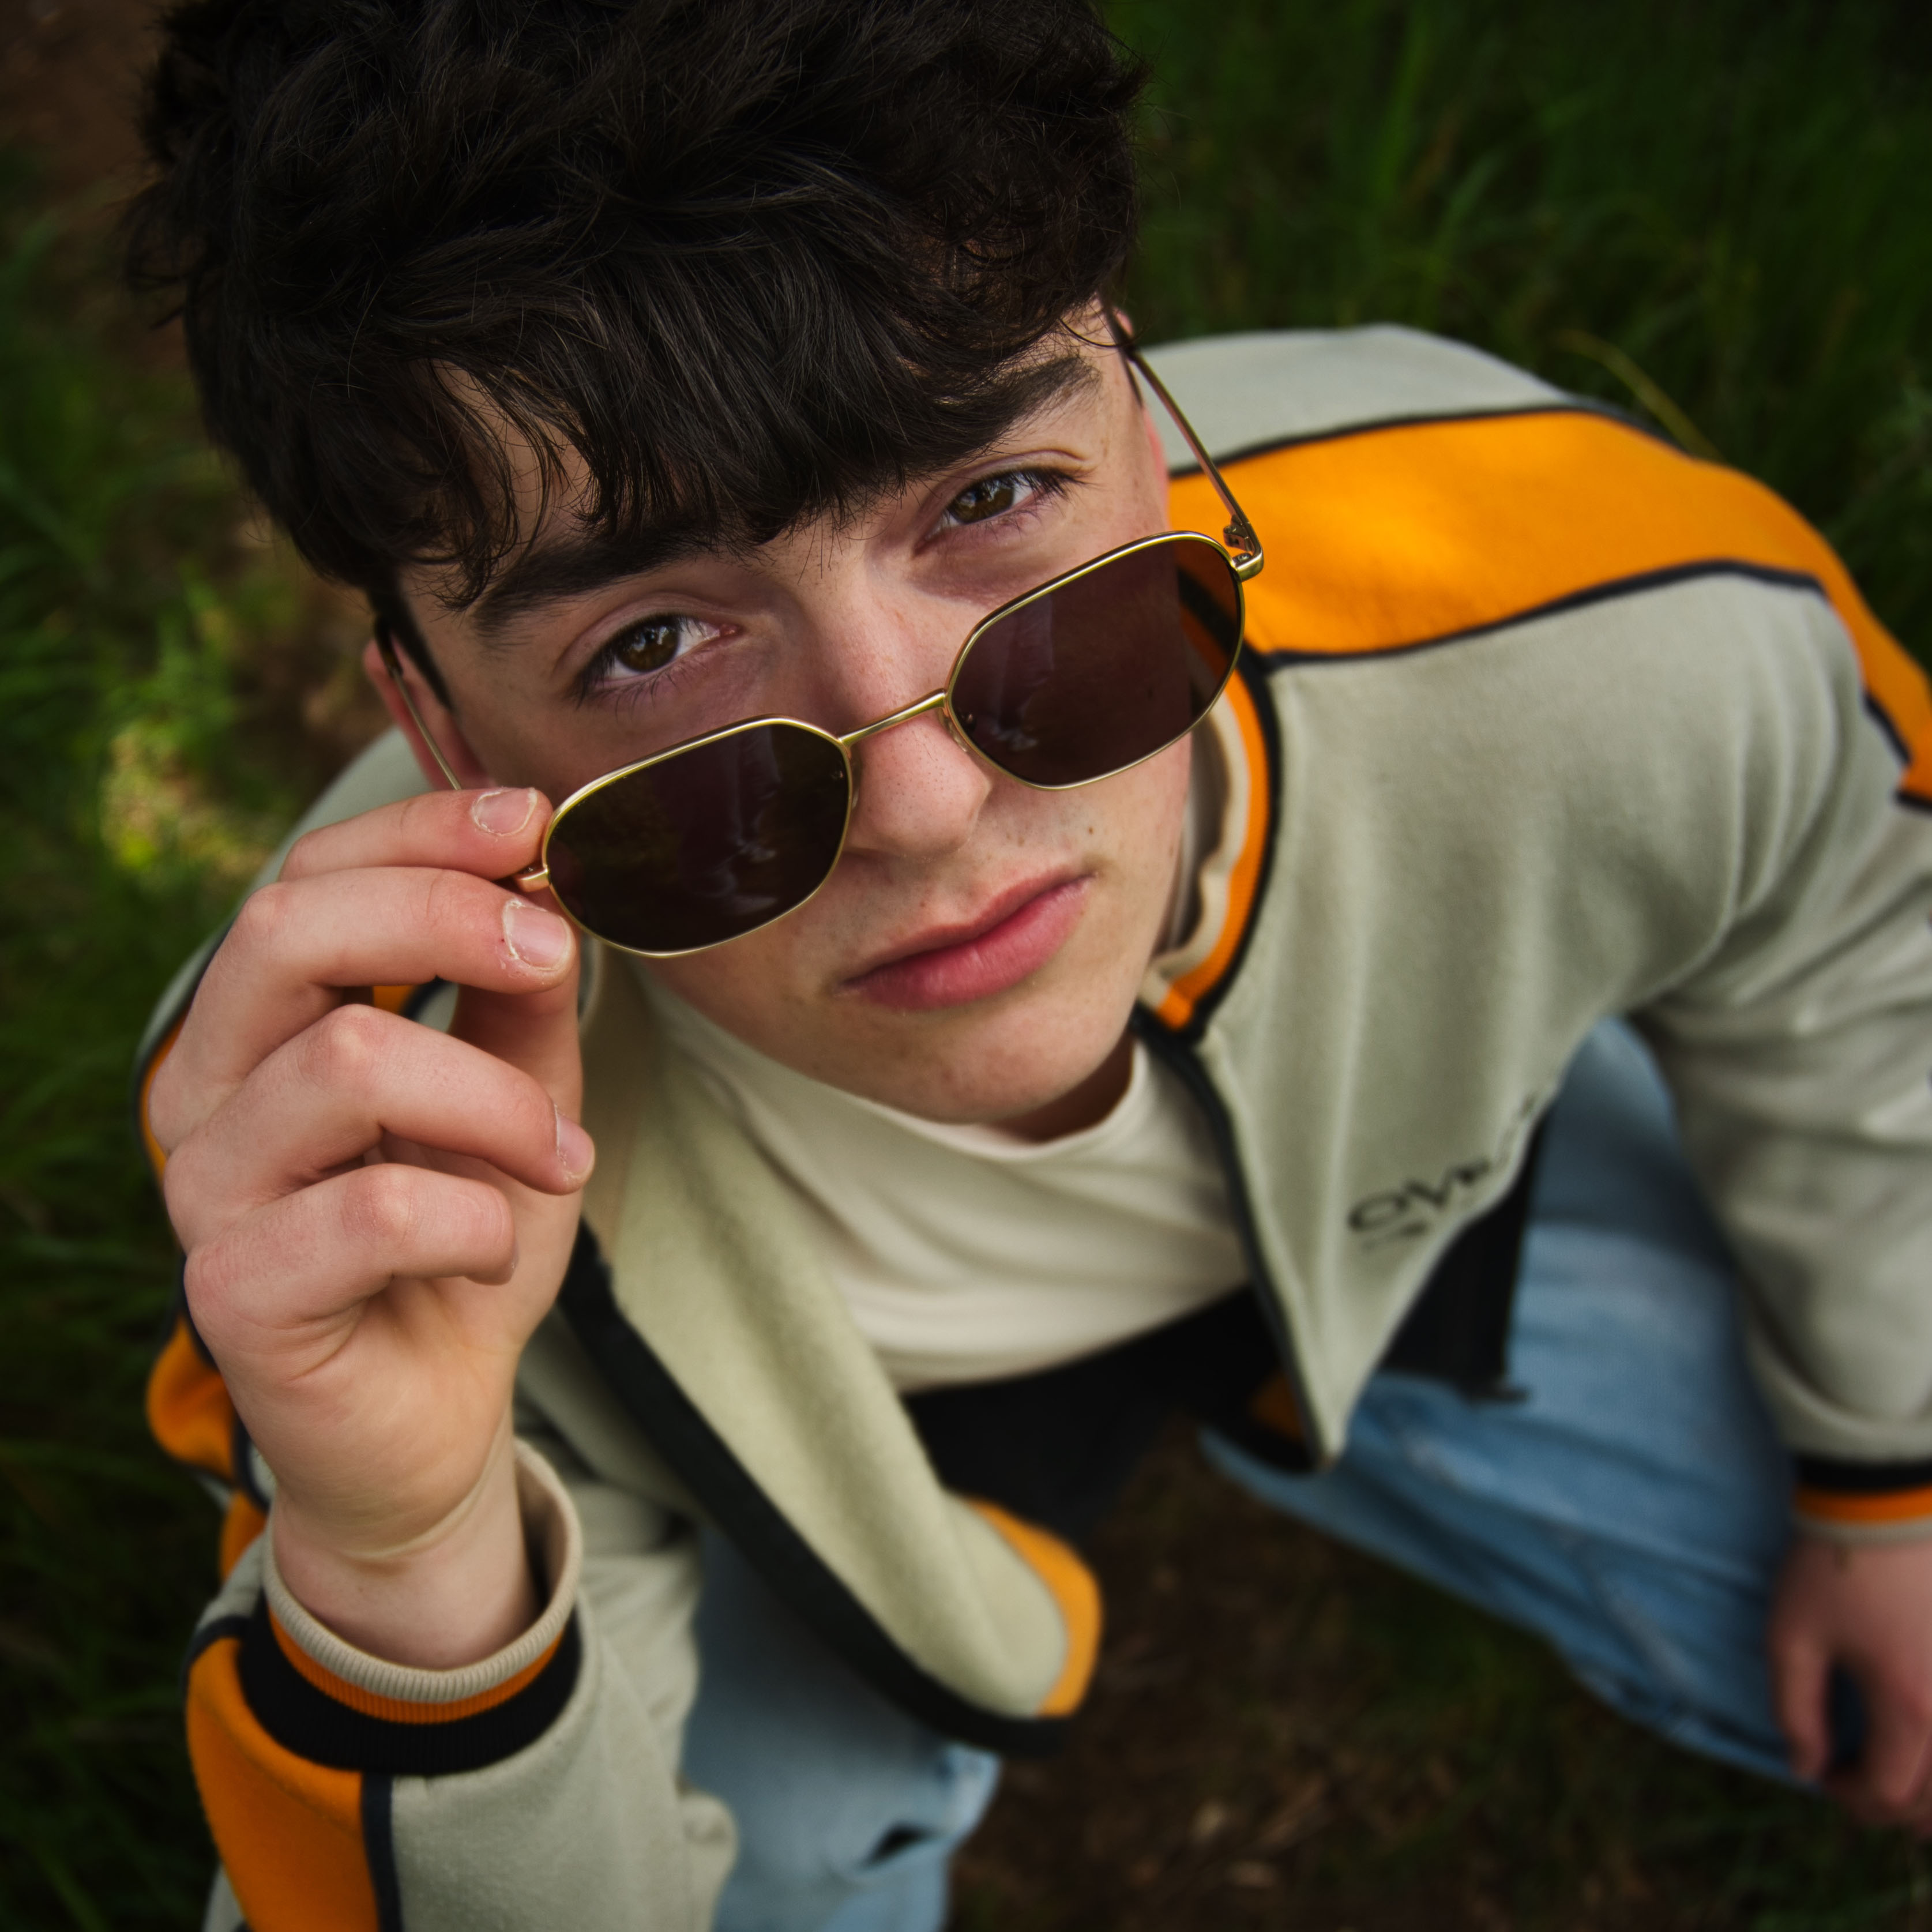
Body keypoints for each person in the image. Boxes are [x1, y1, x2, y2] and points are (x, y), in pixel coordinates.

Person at [129, 1, 1932, 1926]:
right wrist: (407, 1561)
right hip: (849, 1437)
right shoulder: (375, 1148)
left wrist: (1892, 1461)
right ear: (440, 725)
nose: (920, 796)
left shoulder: (1614, 620)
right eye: (653, 644)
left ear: (1147, 427)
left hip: (1418, 1173)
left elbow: (1851, 928)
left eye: (989, 500)